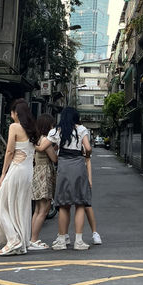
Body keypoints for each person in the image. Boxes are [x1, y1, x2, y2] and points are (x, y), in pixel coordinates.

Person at [0, 99, 38, 256]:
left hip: (16, 169)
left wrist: (3, 174)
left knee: (0, 205)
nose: (11, 115)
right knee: (20, 207)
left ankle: (12, 238)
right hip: (28, 171)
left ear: (16, 113)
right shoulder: (32, 128)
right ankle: (20, 244)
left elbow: (9, 151)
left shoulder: (14, 127)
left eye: (12, 112)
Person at [48, 106, 92, 250]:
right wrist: (86, 154)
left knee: (63, 205)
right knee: (80, 203)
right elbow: (88, 147)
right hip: (78, 165)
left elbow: (45, 145)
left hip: (64, 166)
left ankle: (61, 240)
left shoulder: (56, 131)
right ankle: (78, 241)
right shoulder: (81, 129)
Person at [28, 113, 58, 250]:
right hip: (45, 173)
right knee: (44, 209)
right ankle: (34, 240)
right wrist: (55, 149)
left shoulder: (37, 138)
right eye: (52, 125)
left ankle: (32, 239)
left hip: (37, 172)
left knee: (37, 209)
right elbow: (54, 159)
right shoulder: (46, 140)